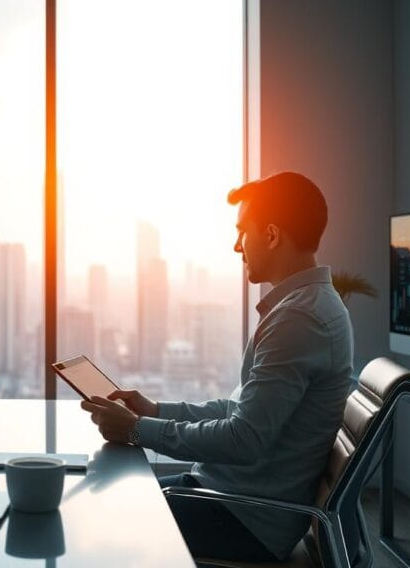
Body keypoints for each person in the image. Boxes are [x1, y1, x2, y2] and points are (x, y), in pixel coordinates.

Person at [81, 171, 353, 562]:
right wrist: (155, 411)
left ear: (273, 235)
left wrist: (138, 429)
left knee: (101, 516)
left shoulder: (300, 320)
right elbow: (238, 412)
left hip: (244, 519)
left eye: (243, 231)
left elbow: (243, 439)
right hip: (226, 496)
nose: (236, 245)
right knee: (114, 490)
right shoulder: (303, 308)